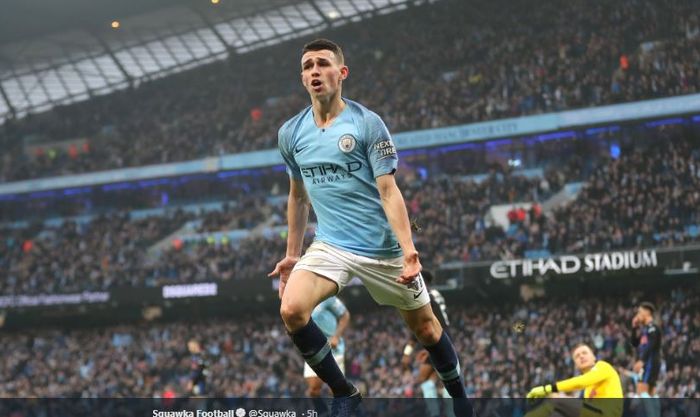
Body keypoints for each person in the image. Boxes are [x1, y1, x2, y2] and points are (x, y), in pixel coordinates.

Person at [269, 38, 473, 417]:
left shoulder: (367, 123)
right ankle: (344, 392)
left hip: (382, 249)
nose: (315, 71)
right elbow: (297, 197)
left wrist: (408, 250)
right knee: (292, 310)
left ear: (341, 73)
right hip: (330, 244)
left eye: (323, 64)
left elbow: (388, 191)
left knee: (427, 330)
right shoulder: (290, 134)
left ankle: (462, 404)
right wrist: (292, 255)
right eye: (308, 66)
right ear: (302, 77)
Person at [401, 270, 456, 417]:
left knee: (423, 378)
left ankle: (436, 414)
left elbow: (429, 326)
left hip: (438, 341)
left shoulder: (426, 298)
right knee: (440, 379)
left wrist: (428, 348)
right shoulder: (435, 294)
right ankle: (449, 413)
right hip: (444, 340)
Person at [526, 343, 623, 417]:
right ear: (576, 365)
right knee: (557, 414)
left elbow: (581, 382)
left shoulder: (603, 366)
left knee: (556, 400)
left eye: (584, 353)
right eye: (577, 356)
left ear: (594, 357)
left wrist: (548, 389)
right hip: (593, 413)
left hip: (605, 414)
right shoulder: (587, 391)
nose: (581, 356)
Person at [305, 296, 350, 401]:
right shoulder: (301, 300)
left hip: (333, 349)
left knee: (336, 390)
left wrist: (336, 337)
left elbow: (345, 315)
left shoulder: (327, 297)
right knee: (314, 389)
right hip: (313, 350)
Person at [630, 302, 662, 396]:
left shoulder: (653, 328)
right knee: (650, 393)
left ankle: (653, 411)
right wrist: (634, 328)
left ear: (647, 313)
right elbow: (634, 343)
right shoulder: (645, 330)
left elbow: (651, 345)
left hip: (650, 363)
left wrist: (642, 361)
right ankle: (655, 411)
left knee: (641, 390)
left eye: (640, 312)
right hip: (648, 363)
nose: (638, 315)